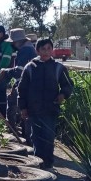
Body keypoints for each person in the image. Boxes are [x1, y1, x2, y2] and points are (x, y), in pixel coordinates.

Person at [17, 38, 73, 168]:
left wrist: (63, 94)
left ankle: (48, 165)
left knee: (48, 137)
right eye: (43, 49)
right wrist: (23, 107)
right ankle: (38, 165)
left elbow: (68, 84)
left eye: (49, 48)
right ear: (37, 51)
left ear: (52, 50)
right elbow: (22, 89)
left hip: (51, 109)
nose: (46, 52)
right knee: (36, 137)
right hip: (34, 109)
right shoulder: (30, 68)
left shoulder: (58, 68)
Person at [6, 28, 37, 136]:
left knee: (14, 105)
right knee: (22, 109)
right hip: (27, 83)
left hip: (25, 84)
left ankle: (13, 129)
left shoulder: (25, 50)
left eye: (13, 42)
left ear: (17, 41)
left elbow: (19, 71)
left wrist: (6, 72)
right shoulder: (28, 48)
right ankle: (22, 132)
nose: (13, 45)